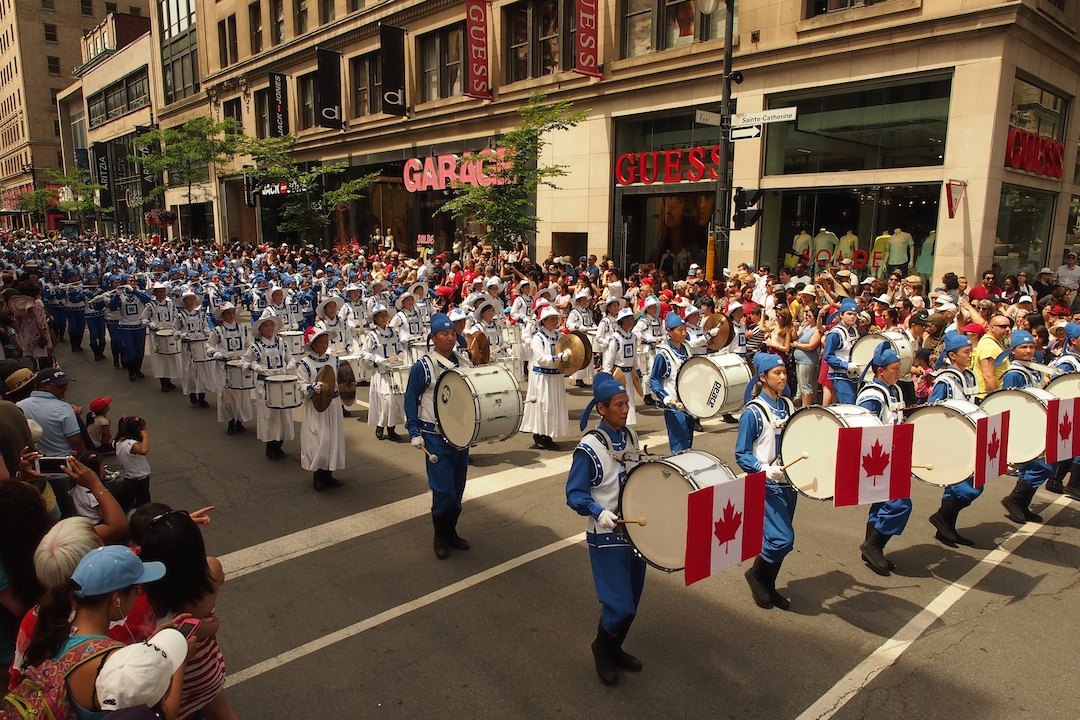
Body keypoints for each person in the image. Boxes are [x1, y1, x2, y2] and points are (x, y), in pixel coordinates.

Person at [17, 546, 166, 720]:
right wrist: (178, 656)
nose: (139, 595)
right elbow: (159, 715)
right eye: (138, 589)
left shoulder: (57, 633)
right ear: (116, 599)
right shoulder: (112, 662)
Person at [565, 373, 645, 686]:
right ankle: (601, 647)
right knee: (619, 602)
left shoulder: (631, 438)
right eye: (619, 405)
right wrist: (599, 513)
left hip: (635, 532)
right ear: (602, 408)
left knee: (632, 601)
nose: (625, 409)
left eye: (627, 403)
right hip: (607, 534)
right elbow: (575, 493)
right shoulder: (588, 448)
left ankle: (615, 647)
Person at [139, 509, 238, 720]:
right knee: (221, 713)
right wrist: (180, 532)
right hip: (204, 664)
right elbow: (206, 628)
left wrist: (166, 538)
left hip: (169, 674)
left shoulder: (144, 589)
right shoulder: (212, 569)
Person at [404, 313, 474, 559]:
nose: (450, 338)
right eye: (444, 334)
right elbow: (411, 399)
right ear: (433, 337)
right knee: (443, 489)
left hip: (460, 435)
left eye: (452, 334)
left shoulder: (464, 363)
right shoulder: (423, 366)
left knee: (457, 487)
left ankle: (451, 531)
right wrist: (414, 431)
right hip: (434, 435)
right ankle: (440, 536)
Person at [735, 353, 795, 610]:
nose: (782, 377)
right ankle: (758, 575)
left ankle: (769, 583)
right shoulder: (754, 412)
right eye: (776, 373)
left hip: (790, 484)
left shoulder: (789, 406)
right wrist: (763, 468)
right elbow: (741, 453)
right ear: (763, 377)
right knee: (783, 538)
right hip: (767, 484)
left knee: (776, 539)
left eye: (784, 372)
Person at [856, 344, 910, 575]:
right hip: (879, 459)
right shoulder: (871, 395)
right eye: (894, 369)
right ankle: (874, 544)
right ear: (880, 371)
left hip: (893, 455)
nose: (899, 373)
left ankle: (871, 549)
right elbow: (865, 430)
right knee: (899, 504)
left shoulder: (893, 390)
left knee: (880, 504)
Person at [926, 331, 981, 546]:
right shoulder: (945, 381)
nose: (970, 356)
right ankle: (941, 518)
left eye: (970, 352)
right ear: (952, 355)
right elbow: (933, 409)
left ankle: (947, 525)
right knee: (966, 484)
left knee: (964, 484)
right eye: (966, 352)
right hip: (952, 439)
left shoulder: (969, 376)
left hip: (968, 436)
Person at [999, 329, 1054, 523]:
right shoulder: (1015, 373)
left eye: (1031, 347)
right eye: (1023, 347)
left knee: (1037, 466)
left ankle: (1022, 504)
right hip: (1024, 426)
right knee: (1042, 466)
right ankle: (1014, 500)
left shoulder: (1032, 368)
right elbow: (1009, 401)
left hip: (1035, 424)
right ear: (1013, 350)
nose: (1029, 350)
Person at [295, 327, 346, 490]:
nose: (324, 345)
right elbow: (301, 384)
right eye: (321, 342)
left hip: (333, 406)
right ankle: (317, 475)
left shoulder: (335, 360)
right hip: (316, 408)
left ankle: (328, 473)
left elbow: (343, 380)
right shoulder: (305, 363)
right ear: (312, 344)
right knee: (318, 440)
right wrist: (311, 387)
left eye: (326, 342)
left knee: (332, 438)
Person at [242, 311, 296, 459]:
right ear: (260, 329)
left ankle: (279, 444)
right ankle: (270, 446)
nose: (270, 328)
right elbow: (244, 362)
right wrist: (254, 367)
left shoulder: (282, 344)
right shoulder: (255, 347)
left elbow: (289, 358)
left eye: (272, 325)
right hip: (265, 385)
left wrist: (291, 363)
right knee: (269, 416)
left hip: (282, 384)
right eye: (266, 326)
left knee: (284, 414)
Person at [520, 305, 570, 450]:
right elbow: (540, 358)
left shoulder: (560, 337)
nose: (556, 321)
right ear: (544, 320)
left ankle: (548, 435)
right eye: (552, 318)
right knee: (543, 406)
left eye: (556, 318)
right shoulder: (538, 338)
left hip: (555, 377)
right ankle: (539, 435)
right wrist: (558, 357)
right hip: (542, 377)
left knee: (554, 406)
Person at [359, 304, 406, 441]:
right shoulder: (372, 335)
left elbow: (399, 348)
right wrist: (376, 358)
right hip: (381, 373)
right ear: (375, 318)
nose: (385, 317)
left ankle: (392, 428)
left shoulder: (394, 332)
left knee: (397, 400)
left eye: (386, 315)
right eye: (381, 315)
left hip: (394, 372)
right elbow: (364, 352)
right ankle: (380, 425)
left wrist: (401, 354)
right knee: (386, 400)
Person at [649, 312, 693, 452]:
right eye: (679, 330)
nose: (683, 333)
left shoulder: (687, 349)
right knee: (679, 444)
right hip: (674, 405)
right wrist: (664, 396)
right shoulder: (664, 354)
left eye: (684, 329)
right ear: (669, 332)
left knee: (688, 441)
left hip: (689, 404)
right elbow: (654, 379)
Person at [206, 302, 253, 436]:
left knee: (242, 394)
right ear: (223, 315)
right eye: (228, 313)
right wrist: (216, 353)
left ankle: (240, 420)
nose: (231, 315)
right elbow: (209, 346)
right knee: (226, 395)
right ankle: (230, 421)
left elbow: (249, 344)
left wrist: (249, 354)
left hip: (240, 365)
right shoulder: (217, 331)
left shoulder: (243, 329)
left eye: (233, 313)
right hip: (224, 367)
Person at [1047, 322, 1080, 499]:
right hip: (1069, 411)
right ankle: (1072, 484)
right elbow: (1060, 387)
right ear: (1073, 340)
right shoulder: (1068, 362)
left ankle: (1056, 480)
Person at [175, 288, 214, 408]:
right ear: (184, 301)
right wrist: (182, 335)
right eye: (189, 299)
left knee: (202, 370)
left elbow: (205, 327)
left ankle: (202, 396)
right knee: (190, 370)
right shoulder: (180, 316)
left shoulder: (201, 314)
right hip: (188, 346)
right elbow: (175, 332)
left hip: (200, 344)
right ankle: (192, 392)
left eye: (193, 299)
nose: (191, 301)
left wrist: (207, 332)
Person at [142, 282, 182, 393]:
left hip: (170, 334)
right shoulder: (150, 306)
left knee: (170, 357)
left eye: (163, 291)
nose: (161, 293)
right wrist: (151, 324)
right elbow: (143, 319)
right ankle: (163, 382)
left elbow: (176, 316)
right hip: (157, 335)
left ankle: (168, 380)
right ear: (155, 293)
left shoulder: (171, 304)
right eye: (158, 291)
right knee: (159, 358)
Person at [822, 298, 861, 403]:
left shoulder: (854, 331)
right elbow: (828, 356)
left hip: (853, 375)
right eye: (849, 313)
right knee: (849, 404)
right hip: (840, 375)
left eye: (854, 314)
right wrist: (845, 365)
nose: (852, 317)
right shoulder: (835, 334)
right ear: (841, 315)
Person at [114, 415, 153, 507]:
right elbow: (144, 451)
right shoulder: (131, 444)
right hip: (139, 478)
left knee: (135, 501)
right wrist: (146, 436)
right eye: (143, 429)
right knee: (144, 502)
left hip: (130, 476)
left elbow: (110, 441)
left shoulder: (119, 441)